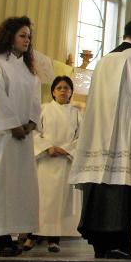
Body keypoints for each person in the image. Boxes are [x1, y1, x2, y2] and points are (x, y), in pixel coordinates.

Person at [70, 20, 131, 259]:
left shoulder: (103, 61)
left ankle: (99, 241)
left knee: (100, 178)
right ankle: (121, 240)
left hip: (98, 133)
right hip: (127, 133)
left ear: (124, 35)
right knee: (124, 178)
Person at [0, 16, 41, 256]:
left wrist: (31, 123)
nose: (27, 40)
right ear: (9, 36)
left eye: (29, 36)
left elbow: (35, 98)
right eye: (22, 35)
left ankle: (9, 234)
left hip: (22, 138)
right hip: (0, 136)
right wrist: (14, 126)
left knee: (16, 187)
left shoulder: (26, 68)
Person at [31, 76, 82, 252]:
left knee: (59, 203)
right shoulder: (43, 109)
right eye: (59, 87)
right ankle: (32, 236)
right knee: (41, 200)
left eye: (66, 88)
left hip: (65, 163)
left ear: (71, 92)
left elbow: (81, 137)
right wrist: (48, 147)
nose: (63, 90)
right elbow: (35, 132)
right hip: (45, 161)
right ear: (53, 91)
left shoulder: (76, 113)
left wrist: (66, 149)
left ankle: (54, 240)